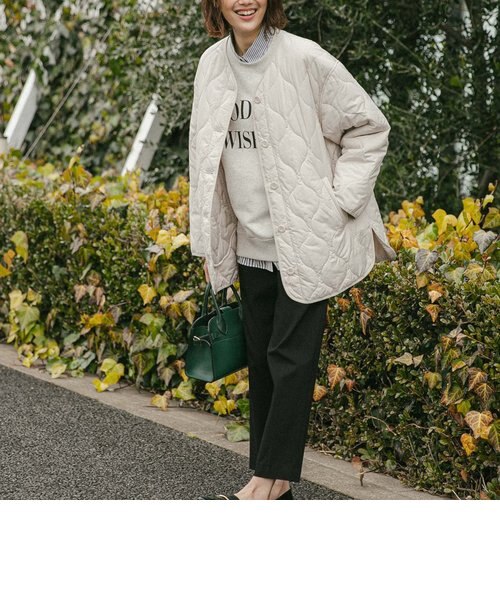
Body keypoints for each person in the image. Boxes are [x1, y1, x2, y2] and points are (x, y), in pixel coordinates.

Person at [189, 0, 396, 500]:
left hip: (305, 241)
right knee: (262, 360)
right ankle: (274, 480)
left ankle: (262, 483)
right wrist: (212, 239)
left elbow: (369, 128)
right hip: (250, 243)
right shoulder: (211, 66)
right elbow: (204, 159)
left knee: (289, 358)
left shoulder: (304, 58)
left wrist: (338, 204)